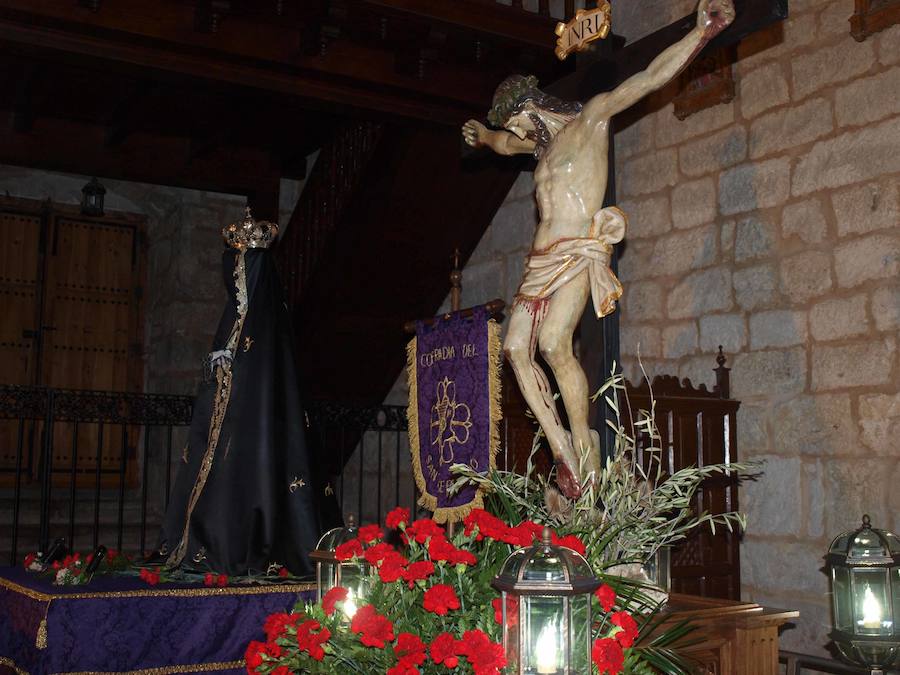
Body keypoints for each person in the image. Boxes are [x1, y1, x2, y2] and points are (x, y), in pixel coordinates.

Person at [462, 0, 734, 498]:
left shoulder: (590, 121)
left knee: (552, 346)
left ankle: (585, 455)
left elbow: (649, 78)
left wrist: (701, 32)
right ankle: (564, 448)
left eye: (517, 122)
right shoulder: (537, 146)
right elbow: (504, 145)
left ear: (532, 106)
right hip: (539, 261)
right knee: (515, 349)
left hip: (575, 254)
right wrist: (485, 138)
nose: (517, 133)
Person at [156, 208, 338, 576]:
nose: (232, 277)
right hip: (231, 433)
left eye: (238, 269)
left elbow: (259, 380)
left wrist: (230, 370)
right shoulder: (236, 319)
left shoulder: (268, 326)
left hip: (255, 438)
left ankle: (248, 545)